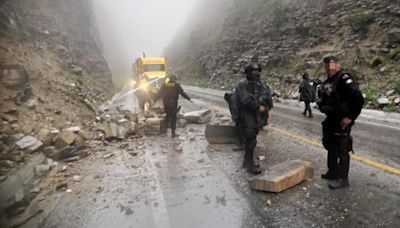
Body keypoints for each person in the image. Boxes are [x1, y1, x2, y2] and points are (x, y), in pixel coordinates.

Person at [317, 55, 364, 189]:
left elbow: (358, 99)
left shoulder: (344, 79)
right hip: (331, 118)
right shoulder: (329, 81)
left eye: (331, 64)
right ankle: (332, 172)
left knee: (342, 149)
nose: (329, 67)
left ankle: (343, 178)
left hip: (342, 120)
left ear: (338, 64)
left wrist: (350, 117)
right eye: (326, 65)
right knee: (330, 146)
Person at [234, 63, 273, 175]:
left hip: (256, 116)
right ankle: (250, 164)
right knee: (251, 140)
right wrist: (258, 106)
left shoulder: (260, 84)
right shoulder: (242, 84)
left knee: (252, 138)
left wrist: (266, 109)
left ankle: (246, 161)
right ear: (248, 72)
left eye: (257, 70)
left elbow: (266, 97)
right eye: (253, 70)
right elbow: (245, 100)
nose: (256, 73)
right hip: (246, 115)